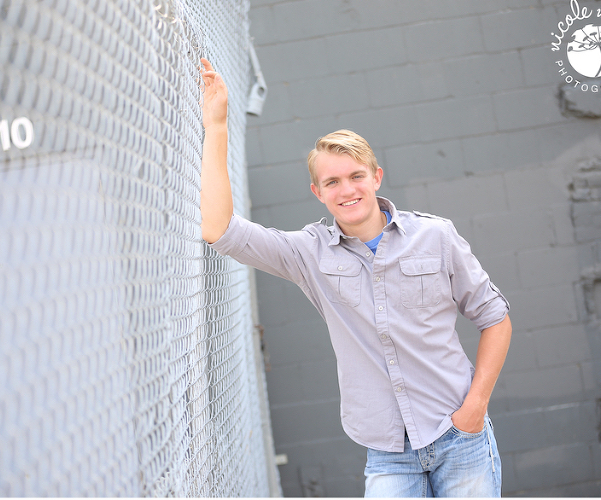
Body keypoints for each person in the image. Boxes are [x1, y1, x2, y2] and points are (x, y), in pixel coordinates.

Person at [199, 58, 512, 497]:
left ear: (376, 176)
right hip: (387, 453)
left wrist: (475, 406)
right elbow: (219, 230)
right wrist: (217, 126)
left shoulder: (436, 236)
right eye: (332, 182)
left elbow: (495, 317)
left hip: (458, 434)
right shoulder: (308, 253)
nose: (346, 190)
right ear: (318, 192)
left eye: (356, 176)